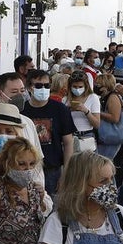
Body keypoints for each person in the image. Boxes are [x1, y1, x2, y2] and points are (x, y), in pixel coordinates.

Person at [0, 74, 45, 182]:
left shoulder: (28, 122)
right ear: (0, 94)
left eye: (22, 91)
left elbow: (37, 161)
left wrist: (39, 187)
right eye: (14, 92)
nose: (20, 96)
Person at [22, 68, 76, 196]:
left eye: (47, 86)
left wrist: (66, 175)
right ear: (30, 88)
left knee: (50, 208)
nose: (43, 89)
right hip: (27, 169)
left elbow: (68, 143)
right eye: (39, 86)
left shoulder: (60, 109)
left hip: (52, 169)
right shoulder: (22, 110)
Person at [66, 71, 101, 154]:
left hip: (87, 136)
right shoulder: (66, 99)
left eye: (80, 87)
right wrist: (67, 110)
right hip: (70, 137)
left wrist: (86, 111)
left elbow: (97, 124)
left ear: (86, 86)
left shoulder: (93, 98)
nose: (77, 89)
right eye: (74, 86)